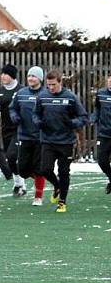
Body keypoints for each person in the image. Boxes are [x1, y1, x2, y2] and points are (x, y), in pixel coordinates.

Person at [33, 70, 89, 212]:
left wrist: (72, 123)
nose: (51, 88)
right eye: (48, 85)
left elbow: (83, 117)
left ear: (60, 82)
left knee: (64, 172)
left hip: (65, 142)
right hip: (48, 140)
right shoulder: (42, 97)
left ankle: (62, 202)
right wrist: (38, 122)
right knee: (44, 169)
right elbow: (35, 113)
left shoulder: (70, 97)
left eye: (53, 84)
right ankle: (57, 186)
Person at [9, 67, 56, 206]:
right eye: (29, 75)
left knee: (39, 168)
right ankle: (49, 180)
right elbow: (13, 108)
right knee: (22, 169)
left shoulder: (46, 94)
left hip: (41, 137)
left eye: (34, 76)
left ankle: (38, 197)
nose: (30, 78)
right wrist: (14, 116)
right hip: (24, 136)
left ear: (40, 79)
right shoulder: (21, 93)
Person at [0, 64, 26, 196]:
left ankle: (21, 183)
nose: (3, 76)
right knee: (9, 158)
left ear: (12, 76)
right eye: (2, 74)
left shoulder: (21, 90)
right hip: (5, 129)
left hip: (19, 129)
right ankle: (19, 184)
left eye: (6, 74)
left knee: (12, 155)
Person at [91, 73, 111, 194]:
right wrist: (94, 118)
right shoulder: (101, 94)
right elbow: (97, 109)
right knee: (102, 161)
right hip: (104, 134)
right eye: (109, 81)